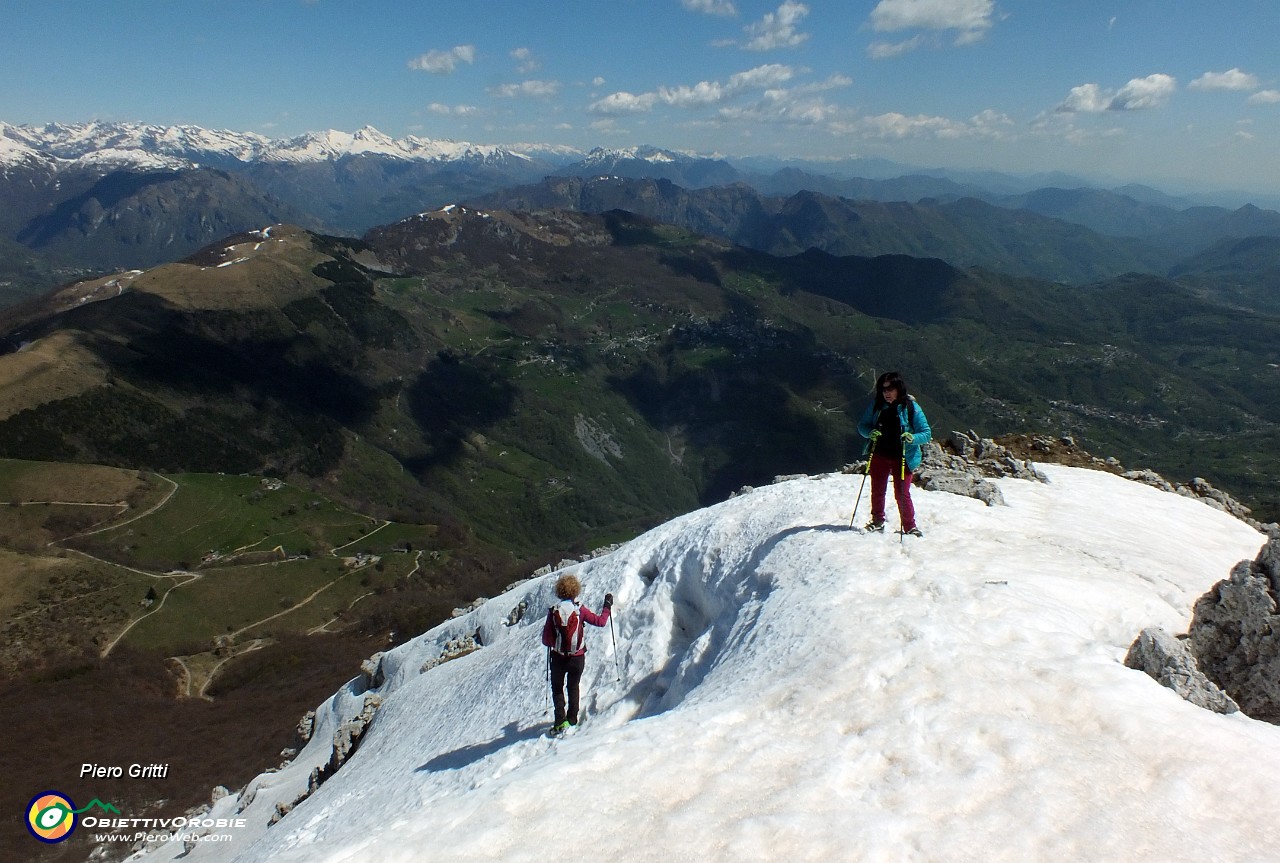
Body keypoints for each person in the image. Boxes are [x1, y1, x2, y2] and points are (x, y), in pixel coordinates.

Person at [856, 371, 932, 537]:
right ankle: (878, 521)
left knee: (902, 493)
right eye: (883, 389)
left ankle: (909, 526)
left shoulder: (911, 407)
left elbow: (926, 433)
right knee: (878, 489)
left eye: (890, 389)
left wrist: (912, 438)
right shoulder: (877, 405)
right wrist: (870, 433)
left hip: (903, 457)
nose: (886, 393)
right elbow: (862, 426)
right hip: (880, 454)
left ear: (899, 388)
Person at [541, 572, 612, 735]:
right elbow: (600, 622)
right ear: (575, 591)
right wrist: (607, 606)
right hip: (577, 657)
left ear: (559, 591)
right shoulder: (579, 610)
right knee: (573, 686)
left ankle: (559, 721)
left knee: (557, 688)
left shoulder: (553, 612)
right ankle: (572, 720)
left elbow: (546, 639)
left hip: (558, 657)